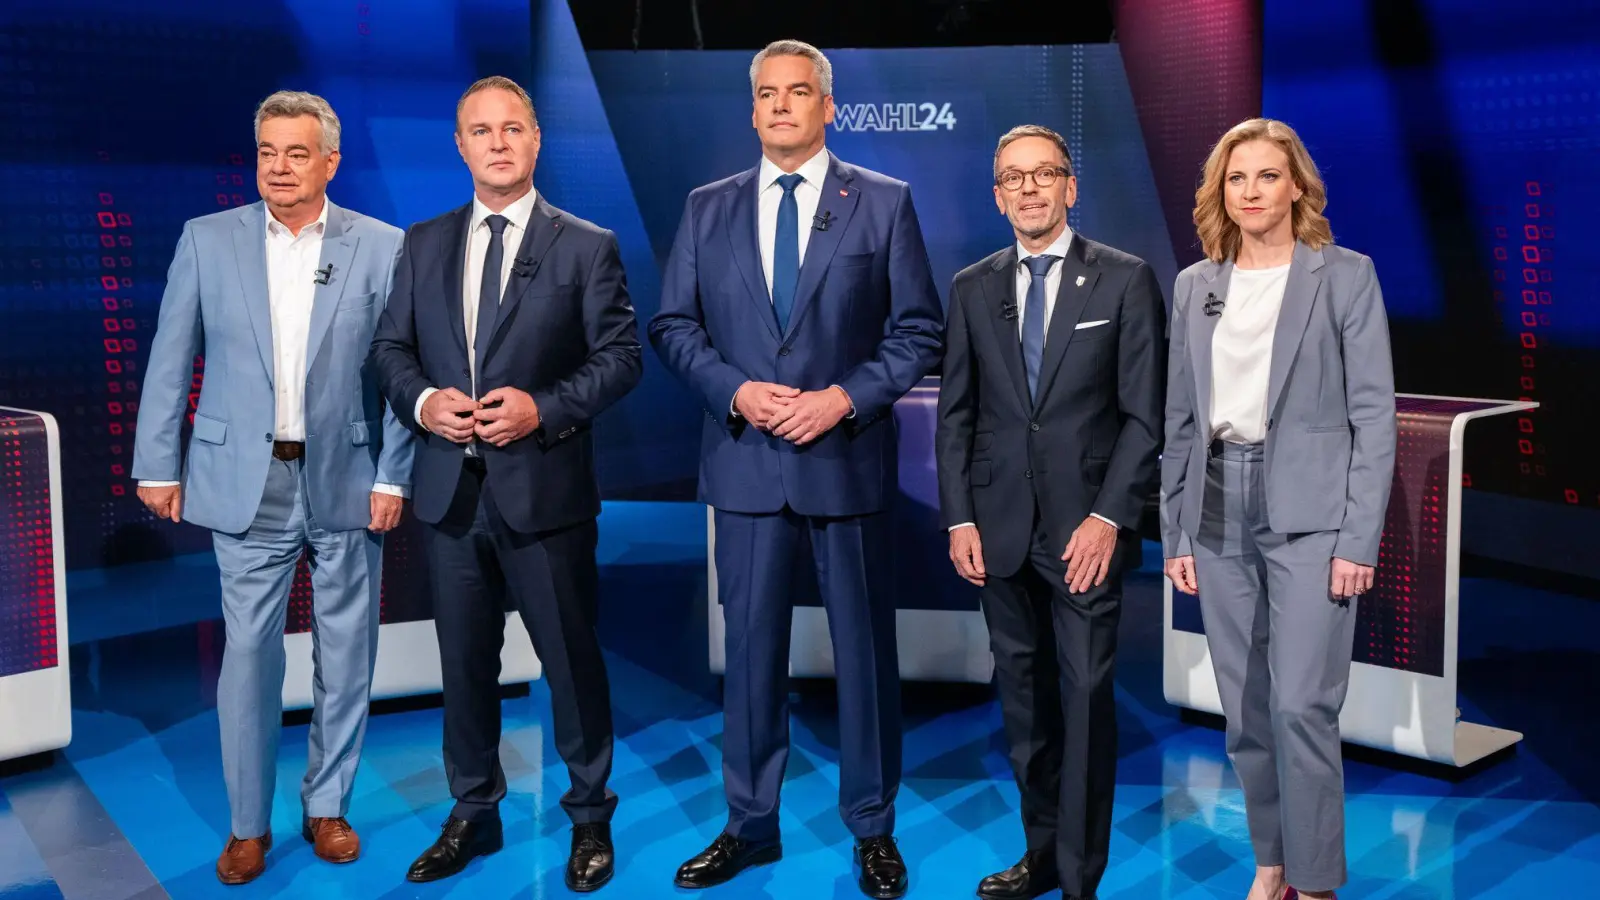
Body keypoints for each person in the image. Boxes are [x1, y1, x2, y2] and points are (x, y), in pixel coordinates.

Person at [648, 38, 942, 900]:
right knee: (748, 657)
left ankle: (874, 828)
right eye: (767, 94)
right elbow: (673, 326)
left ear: (828, 106)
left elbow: (918, 330)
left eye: (799, 92)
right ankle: (749, 825)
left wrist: (842, 400)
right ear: (752, 110)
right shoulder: (708, 207)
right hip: (744, 461)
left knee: (862, 653)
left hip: (843, 459)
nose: (782, 106)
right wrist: (737, 391)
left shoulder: (883, 203)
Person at [368, 75, 641, 890]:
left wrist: (541, 409)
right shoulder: (422, 243)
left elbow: (621, 360)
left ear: (535, 140)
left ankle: (590, 818)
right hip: (450, 493)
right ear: (460, 145)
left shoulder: (586, 244)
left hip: (546, 493)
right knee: (464, 666)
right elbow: (390, 351)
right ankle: (474, 811)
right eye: (480, 130)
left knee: (570, 663)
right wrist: (422, 401)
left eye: (511, 128)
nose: (497, 142)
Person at [131, 90, 411, 885]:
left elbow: (400, 373)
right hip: (242, 482)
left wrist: (394, 471)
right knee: (249, 654)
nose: (279, 168)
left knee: (346, 651)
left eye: (296, 153)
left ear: (330, 161)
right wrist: (159, 462)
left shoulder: (382, 245)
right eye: (267, 152)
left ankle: (328, 808)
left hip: (349, 476)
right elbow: (170, 352)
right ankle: (247, 826)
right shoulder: (207, 240)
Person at [1161, 118, 1395, 900]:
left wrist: (1358, 538)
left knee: (1302, 705)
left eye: (1267, 175)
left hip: (1313, 515)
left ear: (1297, 184)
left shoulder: (1345, 275)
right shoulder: (1197, 286)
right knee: (1246, 712)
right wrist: (1178, 530)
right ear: (1219, 193)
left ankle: (1319, 881)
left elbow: (1374, 418)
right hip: (1218, 505)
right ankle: (1273, 863)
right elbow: (1181, 421)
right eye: (1236, 178)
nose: (1251, 191)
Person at [934, 125, 1164, 900]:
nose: (1030, 189)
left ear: (1071, 186)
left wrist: (1110, 518)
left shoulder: (1125, 280)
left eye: (1045, 175)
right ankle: (1038, 857)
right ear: (997, 196)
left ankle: (1078, 877)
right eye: (1013, 179)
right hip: (998, 530)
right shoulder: (972, 286)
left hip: (1085, 534)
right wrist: (959, 517)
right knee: (1025, 705)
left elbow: (1144, 416)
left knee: (1088, 702)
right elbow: (956, 415)